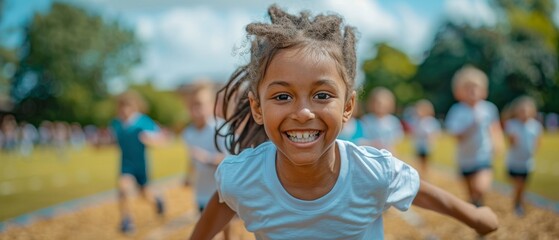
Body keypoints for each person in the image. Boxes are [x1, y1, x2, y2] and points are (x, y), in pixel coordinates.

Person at [190, 5, 498, 239]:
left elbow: (420, 190)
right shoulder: (240, 177)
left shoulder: (373, 171)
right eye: (282, 97)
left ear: (348, 106)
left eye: (322, 95)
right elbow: (218, 210)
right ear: (257, 109)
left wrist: (474, 216)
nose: (303, 112)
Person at [445, 66, 504, 207]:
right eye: (467, 88)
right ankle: (476, 204)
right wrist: (471, 127)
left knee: (480, 187)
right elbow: (456, 135)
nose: (472, 91)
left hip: (483, 156)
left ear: (484, 90)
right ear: (458, 91)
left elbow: (495, 128)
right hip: (465, 159)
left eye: (476, 87)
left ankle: (478, 201)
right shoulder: (457, 111)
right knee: (471, 191)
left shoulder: (488, 109)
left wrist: (498, 142)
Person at [110, 90, 167, 234]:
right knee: (123, 188)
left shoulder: (143, 121)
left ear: (134, 106)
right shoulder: (116, 123)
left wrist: (152, 140)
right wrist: (100, 144)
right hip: (126, 166)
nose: (124, 110)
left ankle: (158, 200)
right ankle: (127, 221)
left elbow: (161, 138)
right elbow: (113, 141)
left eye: (127, 106)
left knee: (145, 194)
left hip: (141, 167)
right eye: (121, 106)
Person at [180, 81, 231, 239]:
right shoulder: (188, 133)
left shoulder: (221, 129)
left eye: (200, 104)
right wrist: (188, 175)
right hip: (202, 193)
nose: (197, 110)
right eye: (193, 105)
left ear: (211, 105)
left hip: (223, 192)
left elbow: (230, 160)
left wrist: (207, 158)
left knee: (226, 230)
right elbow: (192, 158)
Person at [503, 96, 542, 216]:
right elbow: (510, 143)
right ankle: (518, 203)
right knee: (518, 184)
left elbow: (537, 142)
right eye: (521, 111)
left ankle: (518, 202)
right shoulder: (512, 124)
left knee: (522, 186)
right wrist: (513, 140)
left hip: (527, 163)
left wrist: (533, 149)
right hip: (514, 162)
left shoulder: (535, 126)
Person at [361, 87, 403, 153]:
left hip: (388, 152)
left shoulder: (393, 121)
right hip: (370, 152)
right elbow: (362, 137)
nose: (380, 107)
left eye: (383, 104)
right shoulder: (367, 120)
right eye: (377, 103)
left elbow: (398, 138)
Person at [410, 99, 441, 176]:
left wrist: (431, 139)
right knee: (419, 160)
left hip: (427, 146)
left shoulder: (430, 121)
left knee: (426, 161)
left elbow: (435, 133)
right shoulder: (417, 121)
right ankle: (421, 173)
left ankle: (425, 173)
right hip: (419, 145)